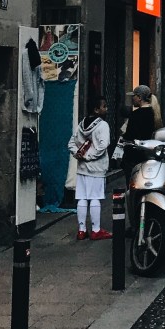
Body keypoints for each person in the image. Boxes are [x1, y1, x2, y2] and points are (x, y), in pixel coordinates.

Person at [69, 98, 112, 240]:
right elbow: (103, 145)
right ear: (96, 109)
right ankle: (96, 229)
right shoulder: (103, 125)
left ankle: (81, 230)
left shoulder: (81, 124)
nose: (106, 109)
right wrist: (89, 156)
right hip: (96, 168)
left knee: (81, 197)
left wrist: (79, 154)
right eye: (104, 106)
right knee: (95, 198)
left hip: (82, 168)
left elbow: (71, 143)